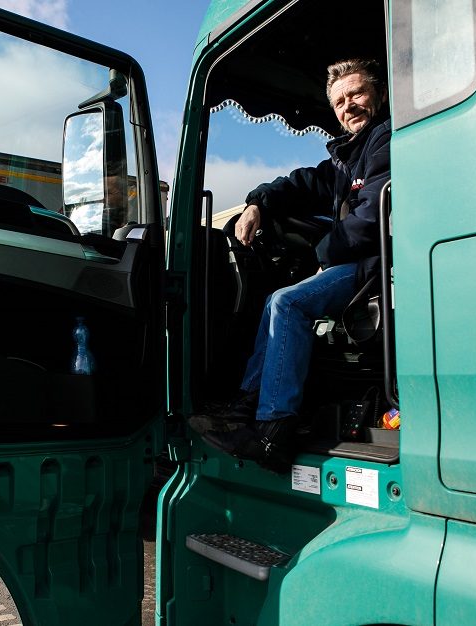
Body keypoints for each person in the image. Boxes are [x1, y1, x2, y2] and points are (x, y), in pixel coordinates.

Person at [201, 58, 391, 469]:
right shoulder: (346, 158)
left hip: (380, 263)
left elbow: (371, 220)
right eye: (340, 101)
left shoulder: (388, 141)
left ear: (380, 94)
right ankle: (246, 407)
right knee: (276, 300)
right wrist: (256, 203)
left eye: (357, 93)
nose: (349, 105)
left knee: (289, 303)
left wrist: (321, 255)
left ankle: (273, 431)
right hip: (358, 260)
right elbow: (300, 182)